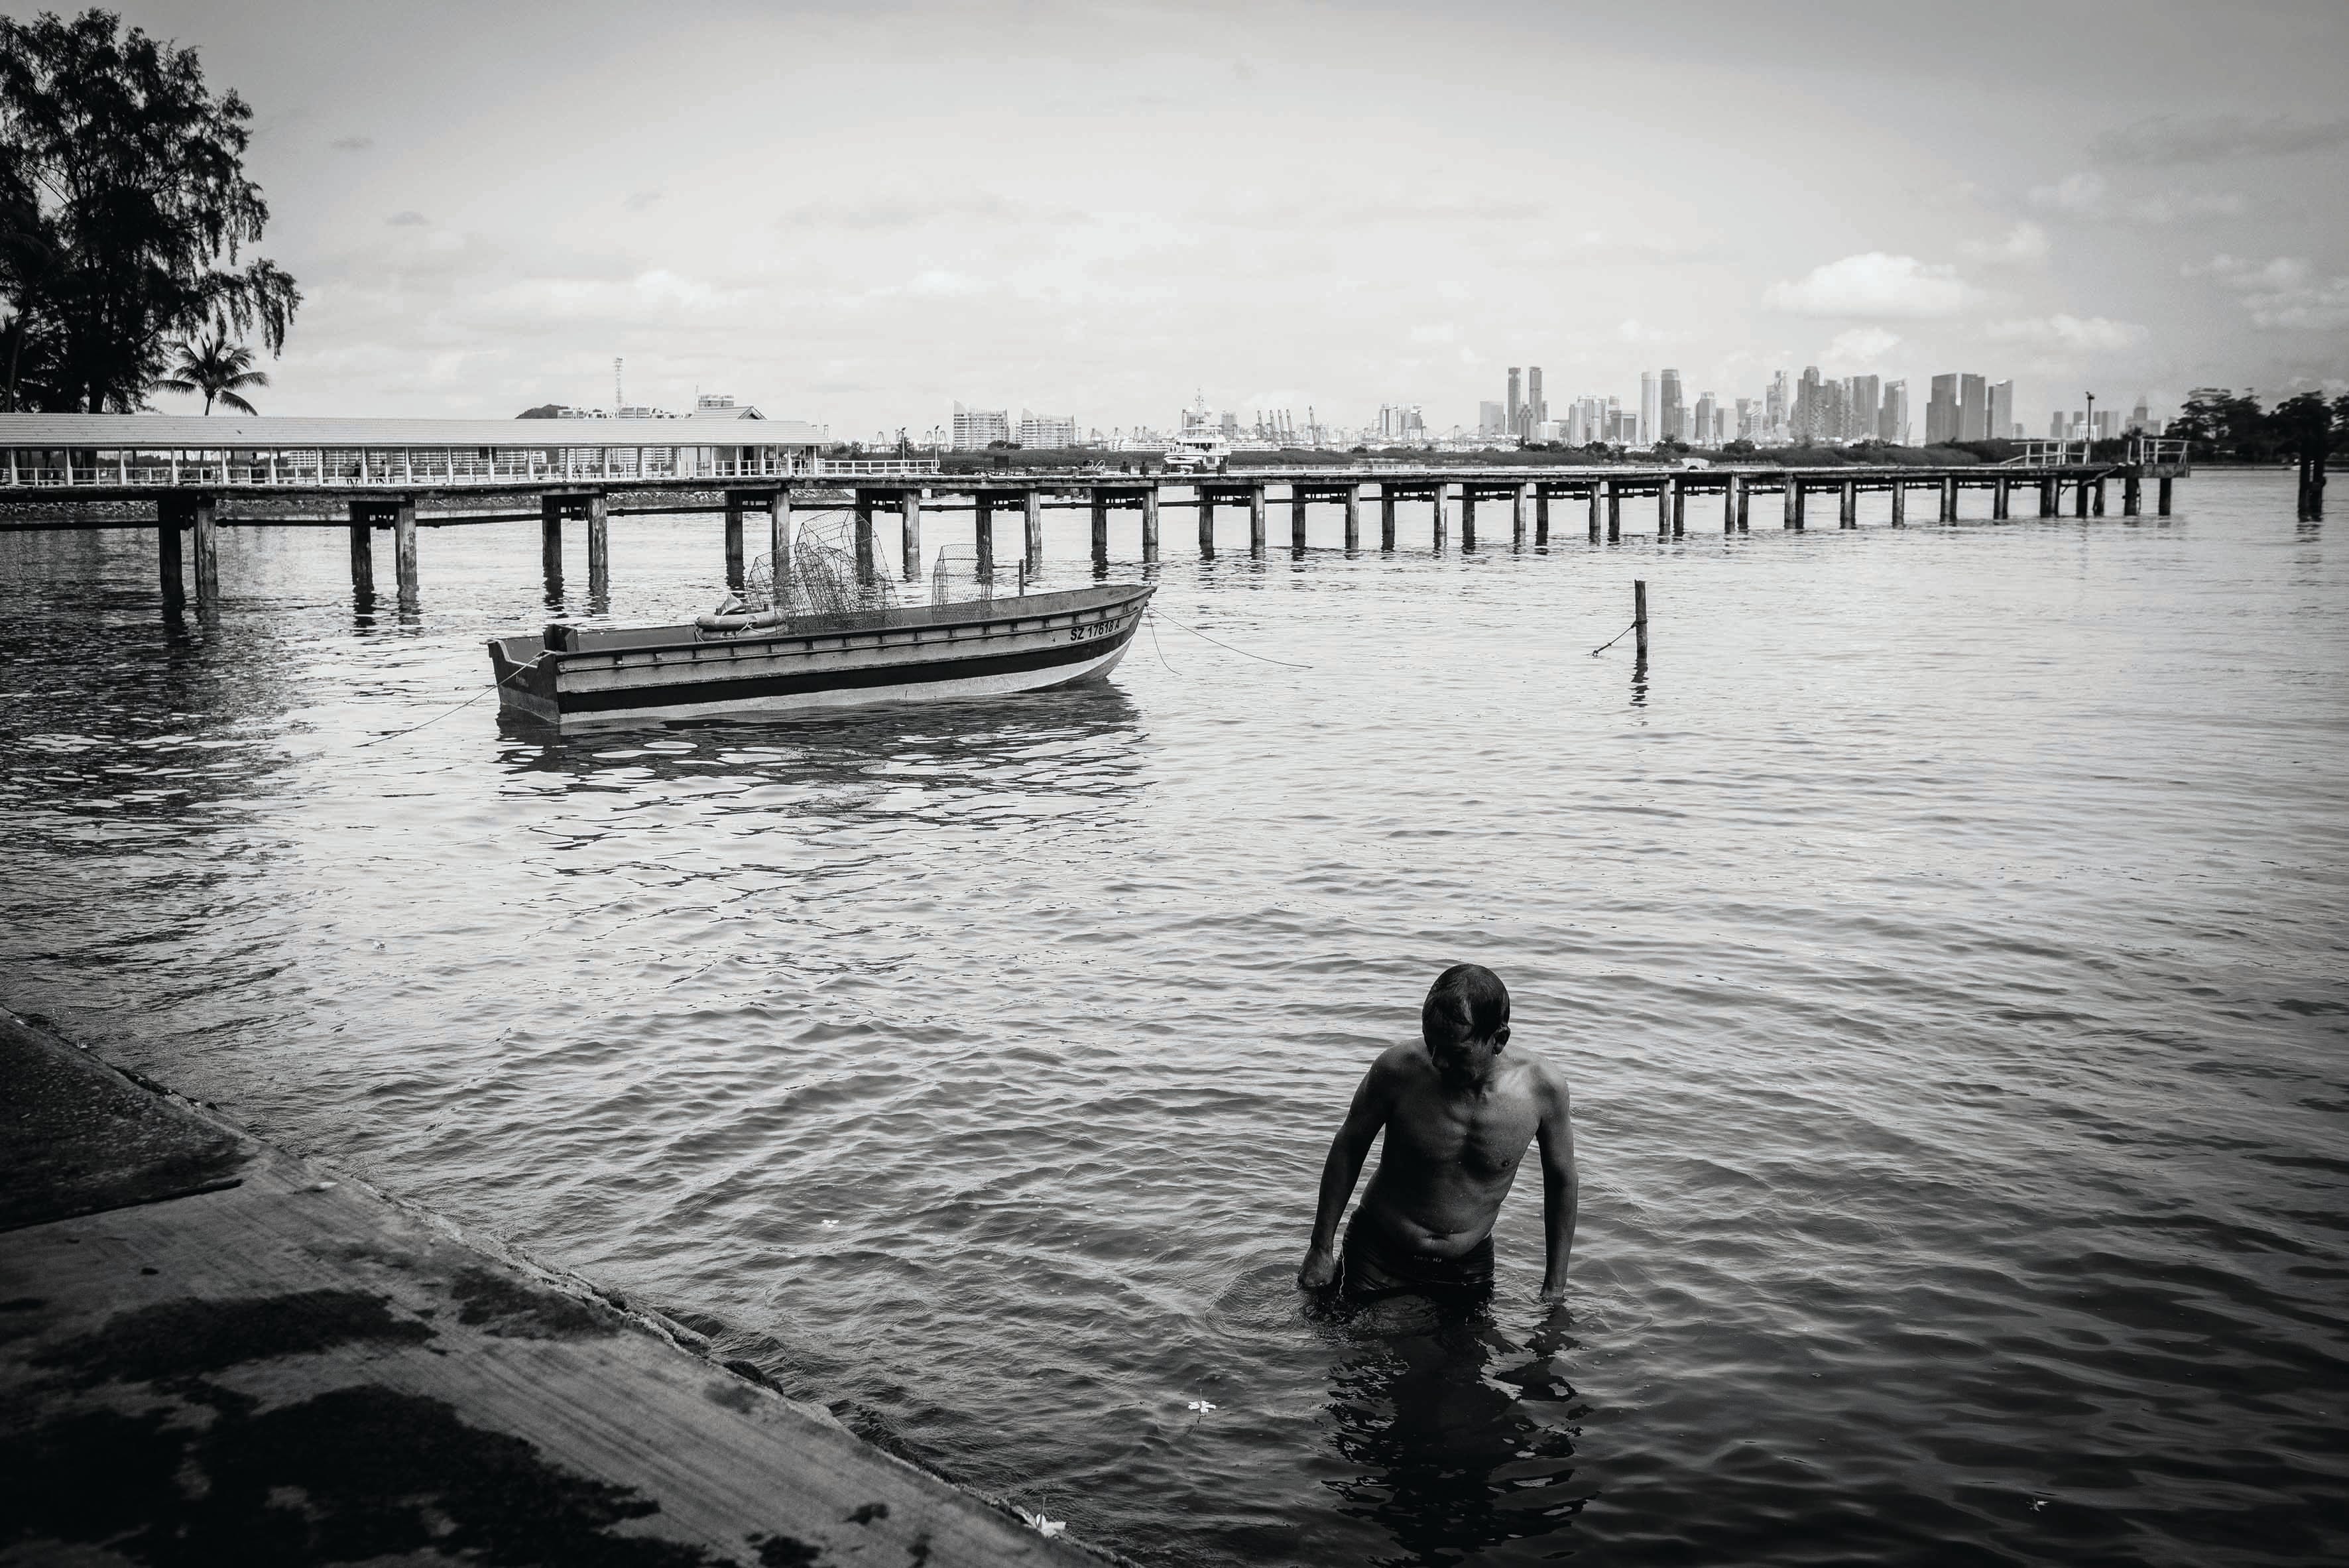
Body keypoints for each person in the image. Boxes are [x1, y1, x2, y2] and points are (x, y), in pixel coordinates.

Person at [1297, 964, 1577, 1299]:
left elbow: (1561, 1181)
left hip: (1468, 1262)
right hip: (1378, 1253)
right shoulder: (1397, 1070)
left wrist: (1554, 1286)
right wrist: (1321, 1247)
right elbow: (1349, 1145)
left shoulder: (1542, 1091)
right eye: (1431, 1045)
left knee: (1469, 1353)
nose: (1438, 1061)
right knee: (1352, 1348)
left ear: (1498, 1040)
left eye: (1455, 1052)